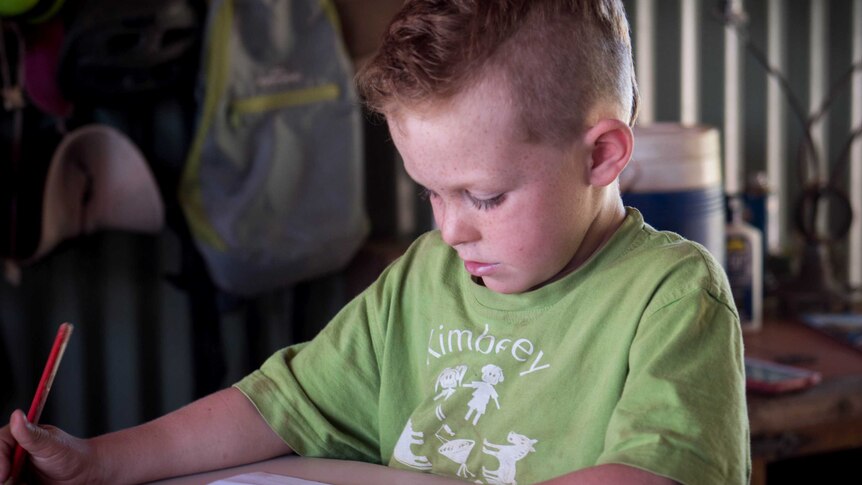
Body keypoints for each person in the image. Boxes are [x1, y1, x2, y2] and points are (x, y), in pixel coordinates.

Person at [0, 0, 750, 483]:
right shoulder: (426, 277)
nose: (450, 228)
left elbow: (652, 473)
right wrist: (99, 460)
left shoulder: (672, 295)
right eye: (432, 190)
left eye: (484, 196)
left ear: (601, 155)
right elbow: (279, 403)